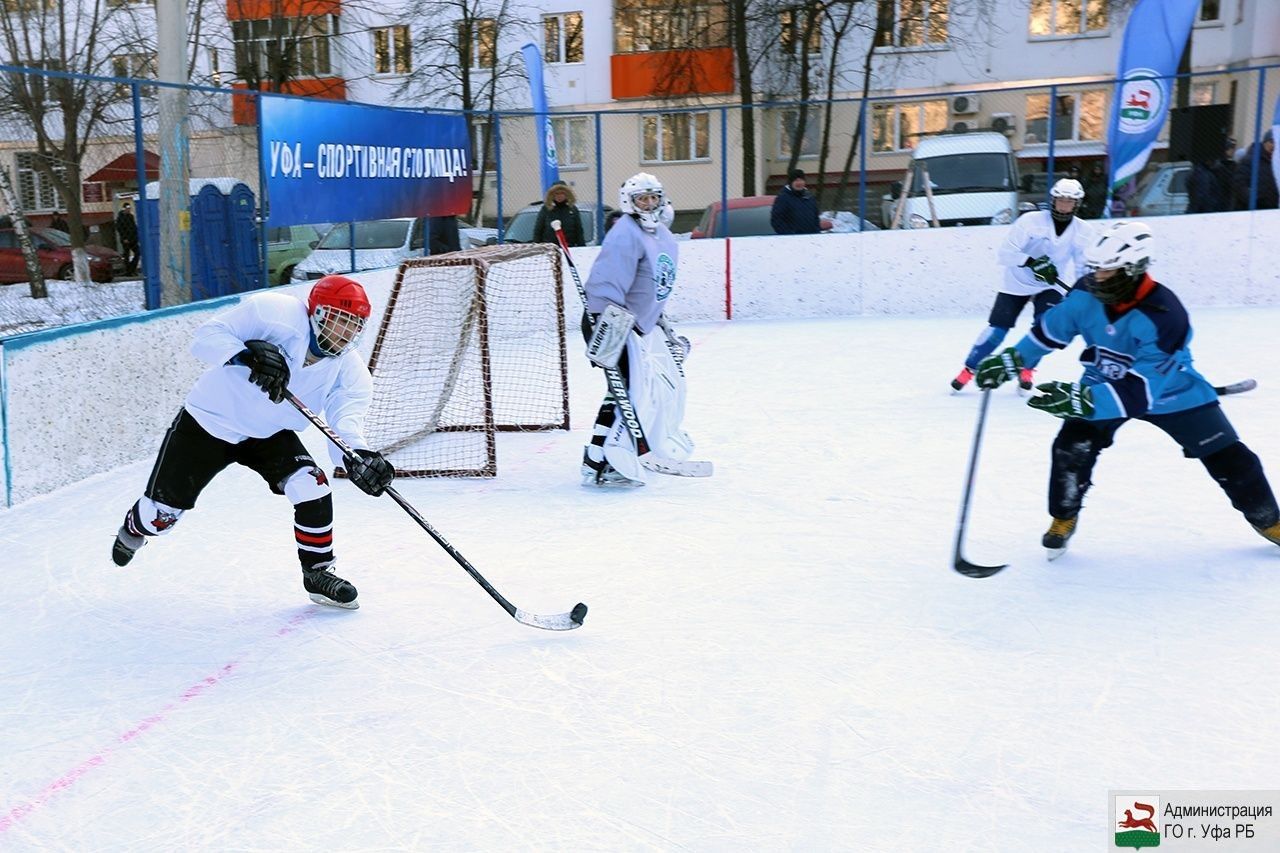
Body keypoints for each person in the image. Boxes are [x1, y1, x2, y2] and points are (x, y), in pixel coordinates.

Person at [974, 220, 1280, 558]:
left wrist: (1082, 400)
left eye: (1108, 271)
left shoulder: (1166, 315)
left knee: (1230, 457)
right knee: (1070, 448)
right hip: (1102, 381)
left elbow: (1140, 392)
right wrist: (1013, 360)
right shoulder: (1085, 292)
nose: (1097, 277)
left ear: (1134, 269)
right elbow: (1049, 332)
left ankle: (1268, 520)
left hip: (1170, 392)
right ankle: (1063, 517)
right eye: (1094, 269)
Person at [108, 275, 395, 609]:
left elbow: (344, 423)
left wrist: (356, 455)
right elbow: (205, 337)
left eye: (354, 325)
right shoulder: (274, 313)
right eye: (339, 320)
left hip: (269, 434)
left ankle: (318, 574)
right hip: (209, 423)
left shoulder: (350, 371)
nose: (345, 333)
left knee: (312, 485)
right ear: (316, 313)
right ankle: (134, 528)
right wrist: (244, 354)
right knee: (160, 519)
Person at [580, 171, 691, 487]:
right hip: (611, 323)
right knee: (628, 391)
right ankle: (606, 458)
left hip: (634, 326)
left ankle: (598, 457)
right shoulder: (625, 234)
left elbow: (652, 286)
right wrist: (606, 326)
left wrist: (660, 322)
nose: (649, 204)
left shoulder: (659, 236)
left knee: (627, 390)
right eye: (642, 198)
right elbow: (607, 283)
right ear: (629, 202)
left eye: (653, 197)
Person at [950, 178, 1096, 392]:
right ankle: (969, 369)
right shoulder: (1030, 221)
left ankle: (1027, 370)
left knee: (1044, 328)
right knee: (997, 330)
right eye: (1060, 200)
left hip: (1050, 286)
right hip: (1016, 282)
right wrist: (1030, 262)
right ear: (1053, 200)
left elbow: (1083, 266)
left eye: (1069, 201)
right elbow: (1005, 253)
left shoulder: (1084, 231)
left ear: (1077, 204)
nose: (1064, 205)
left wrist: (1083, 292)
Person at [1187, 136, 1237, 213]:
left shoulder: (1207, 169)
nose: (1233, 151)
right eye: (1232, 148)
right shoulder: (1210, 170)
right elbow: (1203, 198)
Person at [1231, 129, 1277, 211]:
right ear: (1264, 142)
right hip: (1251, 210)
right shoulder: (1250, 160)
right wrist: (1254, 199)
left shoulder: (1276, 163)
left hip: (1271, 209)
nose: (1274, 146)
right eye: (1271, 142)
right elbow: (1239, 183)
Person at [771, 168, 825, 235]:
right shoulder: (783, 198)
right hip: (792, 241)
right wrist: (790, 235)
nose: (799, 183)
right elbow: (777, 221)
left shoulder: (810, 197)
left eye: (801, 180)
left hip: (811, 239)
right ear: (791, 183)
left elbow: (815, 219)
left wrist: (816, 232)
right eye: (796, 180)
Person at [533, 182, 585, 246]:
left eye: (562, 193)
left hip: (569, 247)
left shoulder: (572, 209)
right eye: (556, 193)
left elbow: (579, 231)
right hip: (550, 248)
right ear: (552, 195)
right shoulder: (546, 209)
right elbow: (538, 230)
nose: (559, 196)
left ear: (567, 194)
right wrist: (537, 246)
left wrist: (581, 247)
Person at [116, 201, 140, 275]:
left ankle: (132, 269)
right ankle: (128, 271)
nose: (129, 210)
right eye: (127, 208)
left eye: (129, 208)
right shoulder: (120, 217)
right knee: (126, 255)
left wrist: (136, 236)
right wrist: (124, 238)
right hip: (126, 240)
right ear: (124, 209)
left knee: (138, 253)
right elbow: (120, 229)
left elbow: (133, 227)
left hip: (133, 239)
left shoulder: (131, 216)